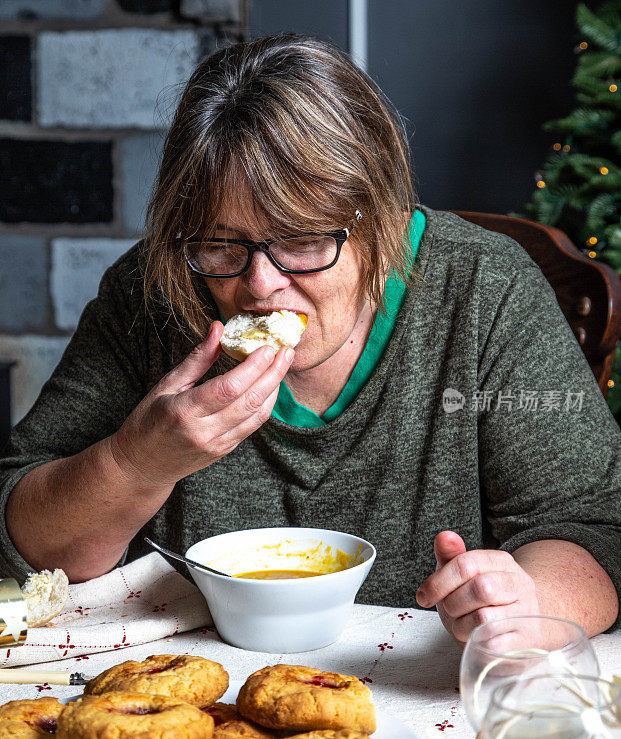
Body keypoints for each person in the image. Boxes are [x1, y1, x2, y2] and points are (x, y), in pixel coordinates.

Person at [0, 34, 619, 644]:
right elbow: (22, 541)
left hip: (434, 691)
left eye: (300, 240)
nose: (259, 285)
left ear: (382, 216)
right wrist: (136, 463)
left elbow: (592, 528)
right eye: (220, 242)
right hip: (196, 696)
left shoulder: (486, 288)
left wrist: (523, 605)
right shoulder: (153, 293)